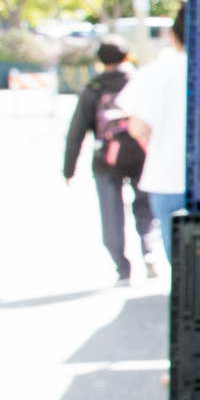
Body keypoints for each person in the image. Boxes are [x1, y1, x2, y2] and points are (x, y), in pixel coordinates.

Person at [62, 38, 154, 282]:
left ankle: (122, 268)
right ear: (127, 57)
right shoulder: (137, 82)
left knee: (111, 213)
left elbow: (77, 130)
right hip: (141, 155)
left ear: (100, 61)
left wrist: (69, 169)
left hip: (105, 160)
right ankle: (149, 253)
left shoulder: (94, 87)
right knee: (145, 207)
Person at [117, 0, 190, 228]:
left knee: (180, 260)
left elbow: (138, 129)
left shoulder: (156, 72)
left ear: (173, 35)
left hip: (167, 179)